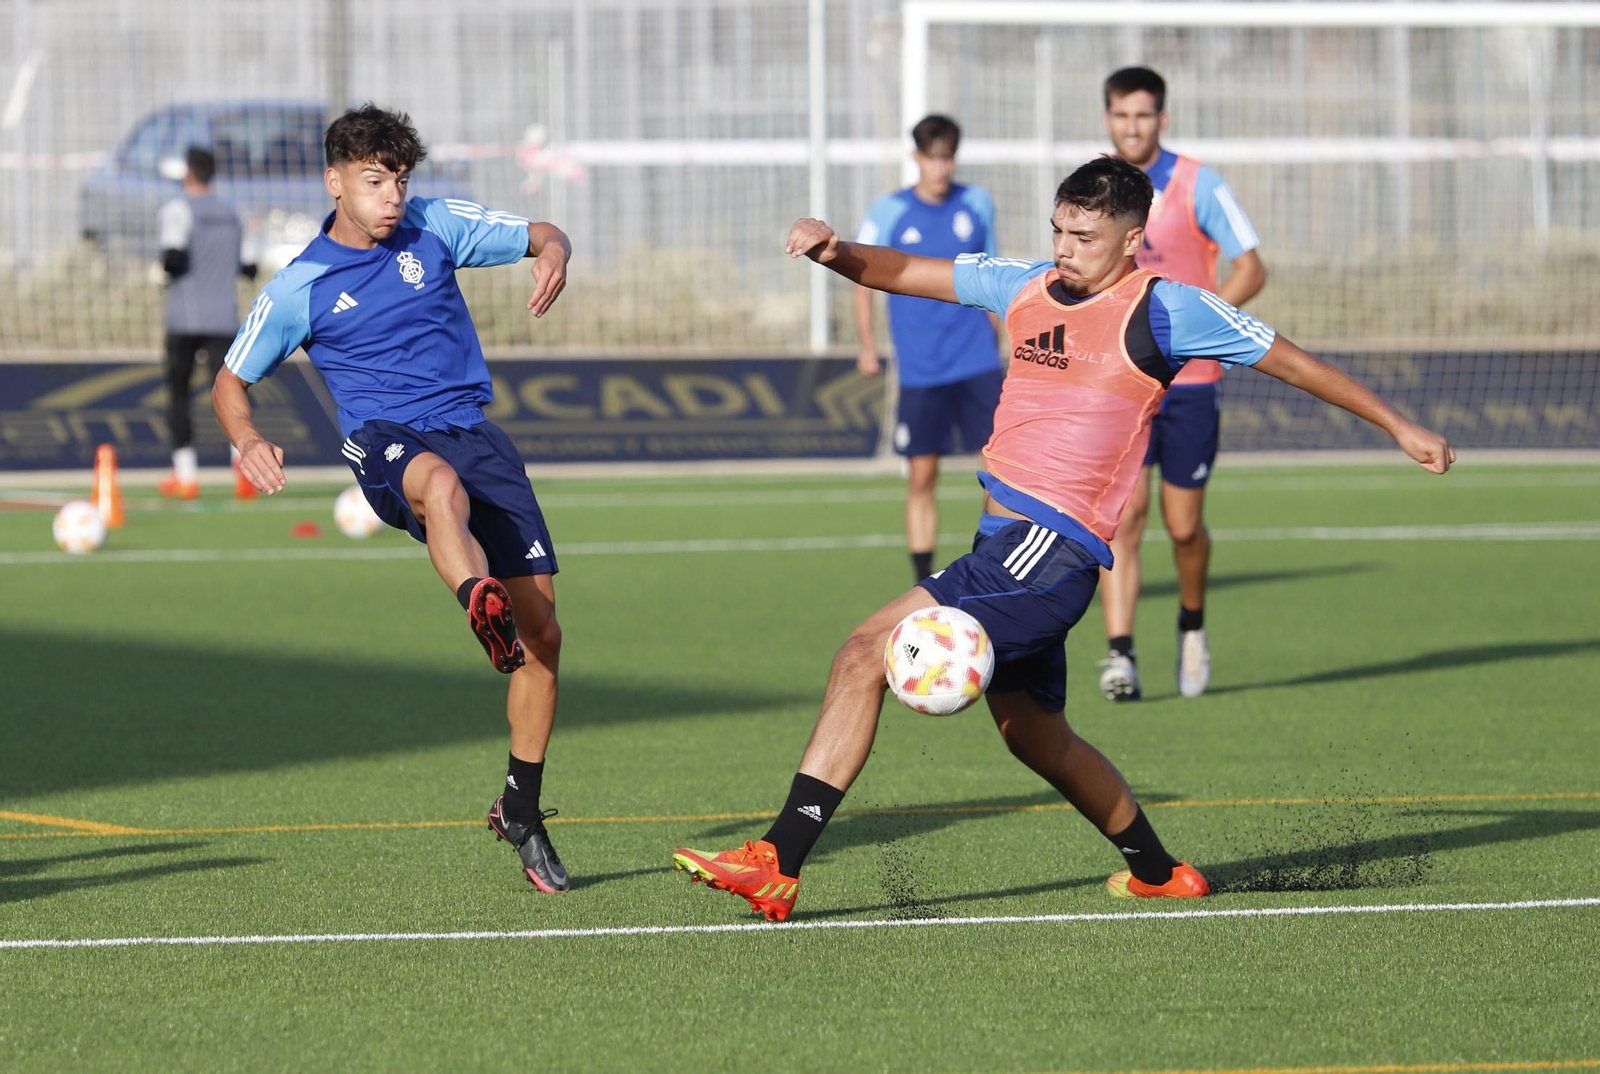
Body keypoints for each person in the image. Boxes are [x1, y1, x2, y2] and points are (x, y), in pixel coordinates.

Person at [671, 157, 1452, 922]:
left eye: (1083, 233)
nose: (1064, 246)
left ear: (1132, 238)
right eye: (1057, 228)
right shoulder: (1024, 285)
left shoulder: (1168, 309)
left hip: (1051, 550)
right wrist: (836, 251)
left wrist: (1399, 425)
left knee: (861, 651)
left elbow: (1291, 362)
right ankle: (1159, 872)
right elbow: (907, 272)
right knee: (1035, 735)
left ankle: (780, 860)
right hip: (1001, 544)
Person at [212, 105, 575, 892]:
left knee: (543, 636)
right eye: (375, 181)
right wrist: (246, 439)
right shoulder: (302, 284)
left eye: (399, 180)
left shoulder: (437, 228)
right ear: (335, 180)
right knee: (438, 489)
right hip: (386, 442)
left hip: (476, 436)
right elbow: (230, 379)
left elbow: (541, 231)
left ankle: (521, 805)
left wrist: (554, 253)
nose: (391, 197)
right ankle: (477, 598)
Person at [1097, 66, 1269, 702]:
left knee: (1184, 526)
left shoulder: (1201, 182)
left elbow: (1252, 266)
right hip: (1123, 379)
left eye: (1143, 115)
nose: (1132, 126)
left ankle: (1192, 628)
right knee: (1124, 516)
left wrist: (1206, 323)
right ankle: (1121, 657)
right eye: (1121, 115)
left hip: (1191, 382)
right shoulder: (1096, 187)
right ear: (1107, 118)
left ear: (1161, 119)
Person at [854, 115, 1002, 583]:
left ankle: (1000, 566)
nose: (940, 167)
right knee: (922, 477)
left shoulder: (976, 203)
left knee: (998, 471)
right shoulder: (888, 212)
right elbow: (862, 281)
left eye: (947, 157)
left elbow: (994, 274)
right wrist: (867, 345)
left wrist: (1008, 341)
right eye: (932, 157)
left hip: (977, 357)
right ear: (917, 158)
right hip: (921, 366)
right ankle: (922, 579)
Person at [157, 146, 258, 500]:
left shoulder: (178, 209)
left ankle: (186, 476)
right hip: (224, 316)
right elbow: (249, 268)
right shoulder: (233, 213)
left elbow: (171, 257)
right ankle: (244, 470)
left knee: (179, 395)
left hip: (184, 318)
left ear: (187, 174)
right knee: (232, 393)